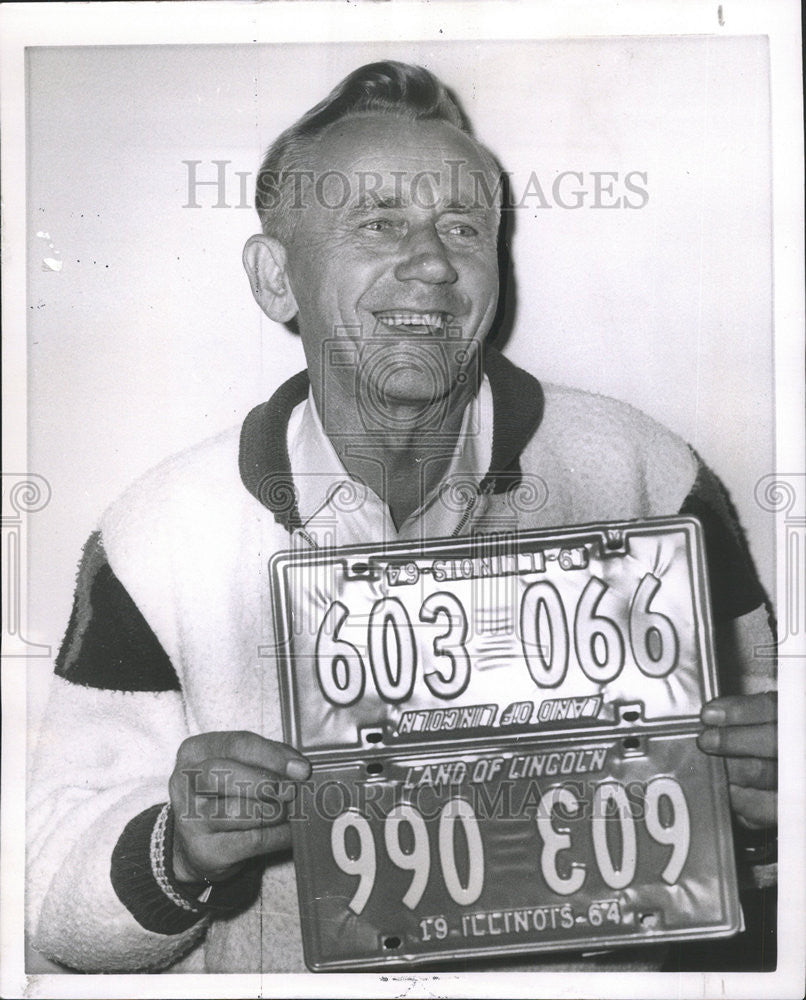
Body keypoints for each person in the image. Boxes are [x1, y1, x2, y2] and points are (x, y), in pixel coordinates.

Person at [28, 61, 776, 975]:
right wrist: (175, 850)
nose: (432, 262)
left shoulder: (647, 475)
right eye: (379, 221)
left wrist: (773, 806)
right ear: (276, 280)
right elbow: (37, 889)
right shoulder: (158, 534)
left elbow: (755, 844)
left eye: (464, 226)